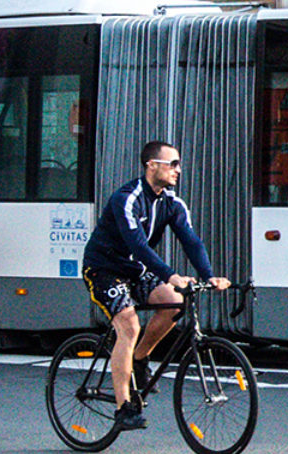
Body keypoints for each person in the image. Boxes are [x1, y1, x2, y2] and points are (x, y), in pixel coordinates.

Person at [82, 141, 230, 430]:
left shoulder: (172, 203)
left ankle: (139, 358)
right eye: (172, 163)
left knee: (175, 301)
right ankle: (124, 407)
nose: (178, 169)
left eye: (179, 164)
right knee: (128, 324)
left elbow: (191, 240)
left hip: (134, 270)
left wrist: (208, 275)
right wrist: (171, 274)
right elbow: (138, 246)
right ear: (152, 165)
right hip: (103, 268)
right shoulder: (127, 198)